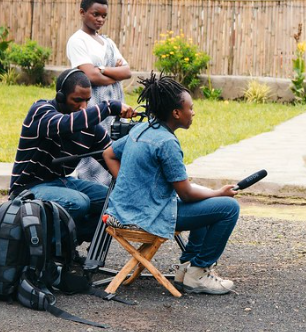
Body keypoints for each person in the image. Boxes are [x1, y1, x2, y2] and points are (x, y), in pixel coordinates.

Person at [102, 73, 240, 295]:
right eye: (190, 108)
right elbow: (186, 194)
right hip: (147, 216)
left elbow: (108, 153)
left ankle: (186, 268)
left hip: (122, 210)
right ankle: (199, 272)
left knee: (206, 205)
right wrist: (218, 192)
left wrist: (127, 184)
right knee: (228, 208)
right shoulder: (167, 142)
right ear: (176, 113)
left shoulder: (142, 129)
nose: (193, 112)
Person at [10, 67, 135, 244]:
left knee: (113, 203)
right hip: (27, 189)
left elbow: (112, 157)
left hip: (61, 183)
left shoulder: (91, 130)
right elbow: (67, 124)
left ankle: (67, 243)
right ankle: (48, 251)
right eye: (77, 100)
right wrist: (110, 107)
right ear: (60, 97)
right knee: (79, 203)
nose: (83, 106)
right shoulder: (41, 111)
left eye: (87, 101)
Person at [66, 0, 132, 186]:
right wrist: (112, 72)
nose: (100, 19)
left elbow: (127, 72)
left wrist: (102, 68)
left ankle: (112, 194)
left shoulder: (108, 43)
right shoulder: (77, 41)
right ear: (82, 12)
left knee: (114, 146)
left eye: (104, 16)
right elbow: (90, 76)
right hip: (93, 106)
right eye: (96, 14)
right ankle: (93, 191)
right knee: (92, 149)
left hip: (114, 109)